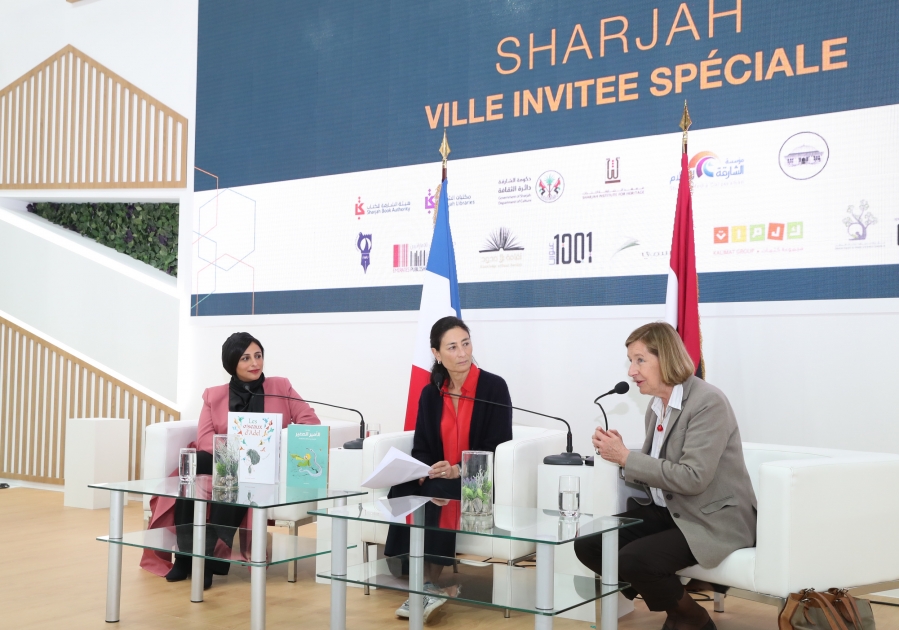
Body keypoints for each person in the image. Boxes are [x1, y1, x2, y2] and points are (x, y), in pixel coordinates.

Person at [574, 322, 757, 630]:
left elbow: (693, 478)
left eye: (640, 360)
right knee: (590, 544)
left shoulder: (707, 402)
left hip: (712, 518)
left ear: (667, 358)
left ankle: (690, 618)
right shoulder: (656, 407)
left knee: (635, 559)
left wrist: (627, 457)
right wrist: (618, 456)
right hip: (670, 511)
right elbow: (659, 471)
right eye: (630, 361)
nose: (631, 371)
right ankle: (681, 608)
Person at [163, 332, 320, 588]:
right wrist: (237, 450)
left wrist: (274, 441)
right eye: (246, 358)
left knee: (235, 476)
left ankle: (208, 560)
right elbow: (204, 438)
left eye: (258, 356)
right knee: (195, 466)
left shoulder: (281, 387)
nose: (255, 363)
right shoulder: (214, 395)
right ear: (232, 363)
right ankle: (184, 555)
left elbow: (309, 422)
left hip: (264, 463)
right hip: (228, 457)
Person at [385, 316, 513, 621]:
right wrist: (427, 468)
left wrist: (457, 469)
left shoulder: (493, 387)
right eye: (452, 347)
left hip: (479, 478)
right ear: (437, 353)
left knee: (437, 488)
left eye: (466, 343)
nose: (462, 353)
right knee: (403, 486)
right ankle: (418, 580)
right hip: (441, 477)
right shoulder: (432, 392)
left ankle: (425, 587)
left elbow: (497, 445)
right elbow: (421, 445)